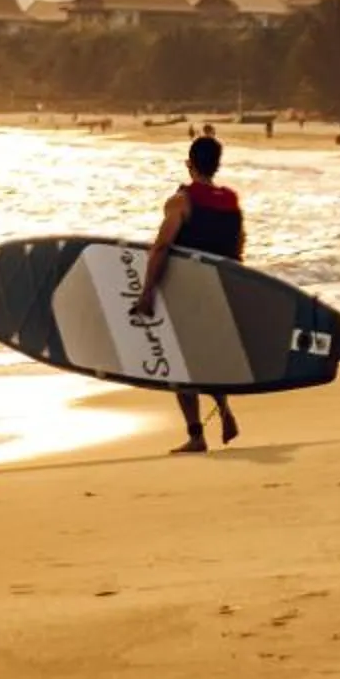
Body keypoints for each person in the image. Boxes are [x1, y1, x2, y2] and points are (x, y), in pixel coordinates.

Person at [131, 133, 245, 453]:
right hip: (220, 291)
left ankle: (196, 434)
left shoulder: (181, 201)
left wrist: (147, 291)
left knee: (179, 364)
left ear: (189, 164)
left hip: (186, 292)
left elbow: (162, 246)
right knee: (205, 358)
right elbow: (238, 248)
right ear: (217, 165)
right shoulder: (231, 201)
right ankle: (223, 410)